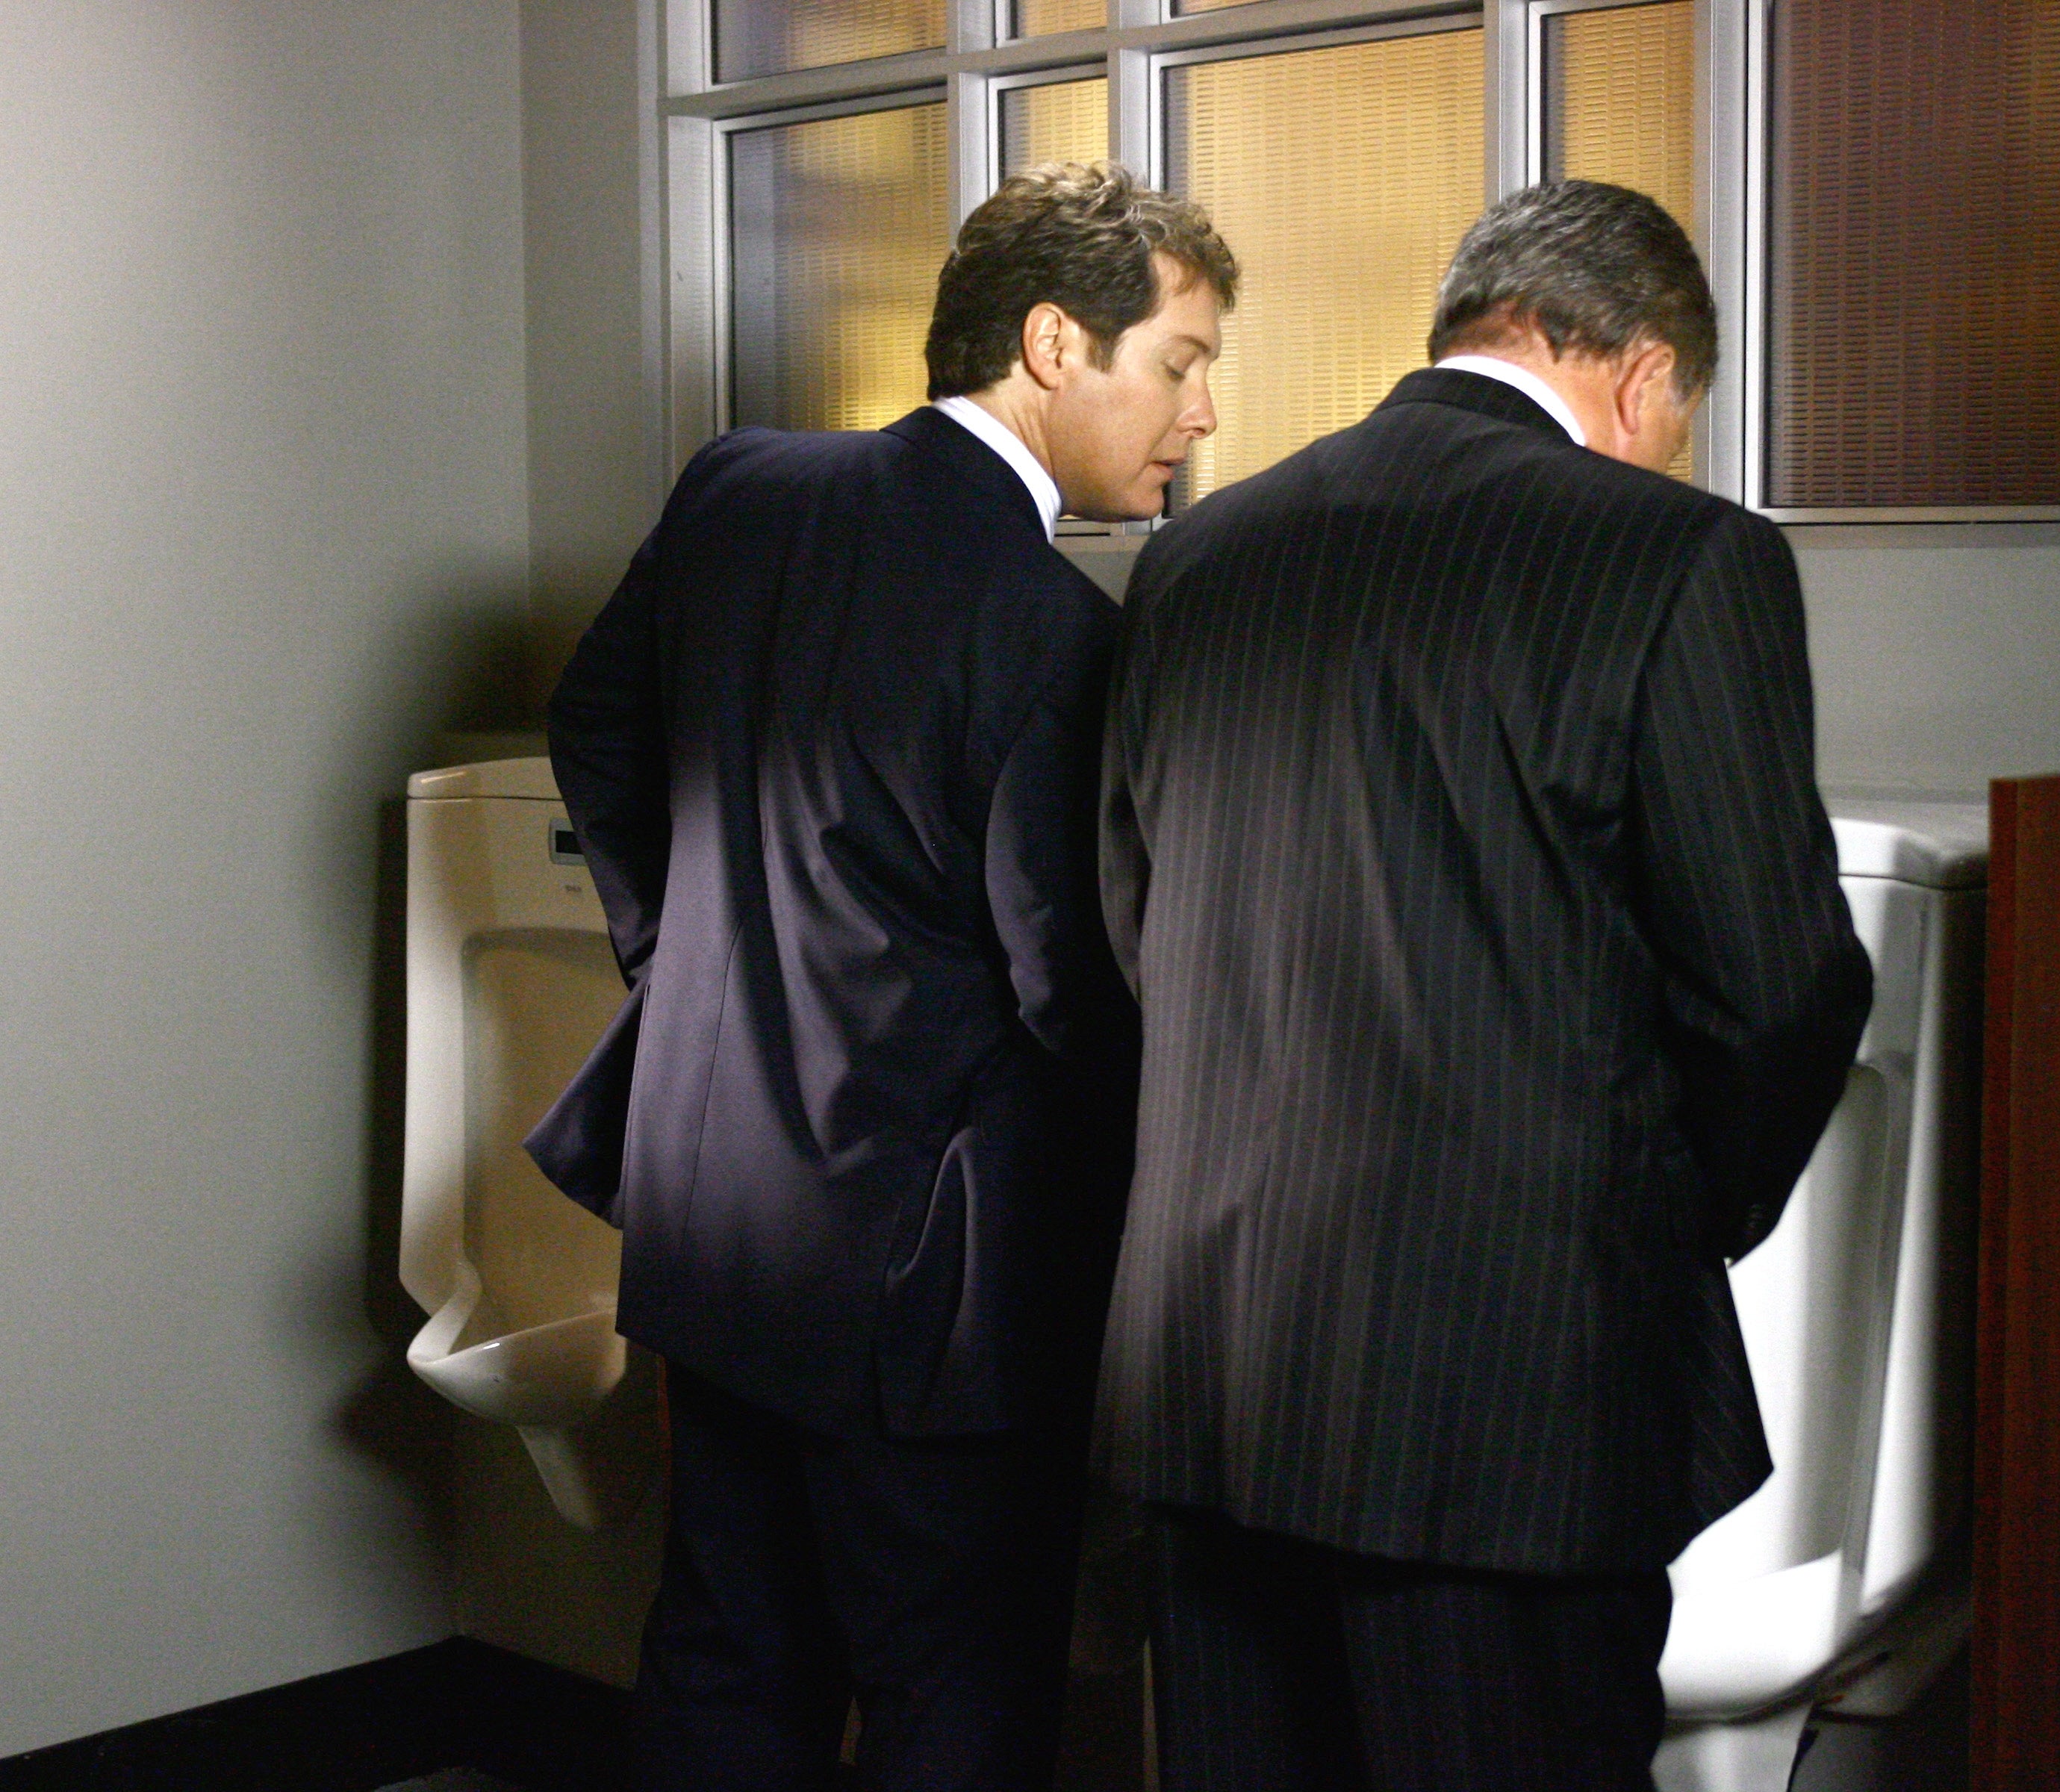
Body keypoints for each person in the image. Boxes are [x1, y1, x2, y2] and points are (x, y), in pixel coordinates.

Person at [1096, 178, 1873, 1791]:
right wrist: (1656, 1224)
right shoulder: (1682, 557)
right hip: (1505, 1412)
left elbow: (1135, 923)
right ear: (1644, 374)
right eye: (1676, 426)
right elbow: (1780, 989)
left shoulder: (1201, 559)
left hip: (1212, 1379)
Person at [527, 161, 1236, 1792]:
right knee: (952, 1701)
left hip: (711, 1205)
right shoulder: (1054, 633)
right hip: (939, 1285)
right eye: (1182, 361)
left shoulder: (740, 490)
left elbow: (596, 727)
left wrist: (687, 965)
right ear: (1055, 343)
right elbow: (1070, 996)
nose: (1198, 414)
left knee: (725, 1659)